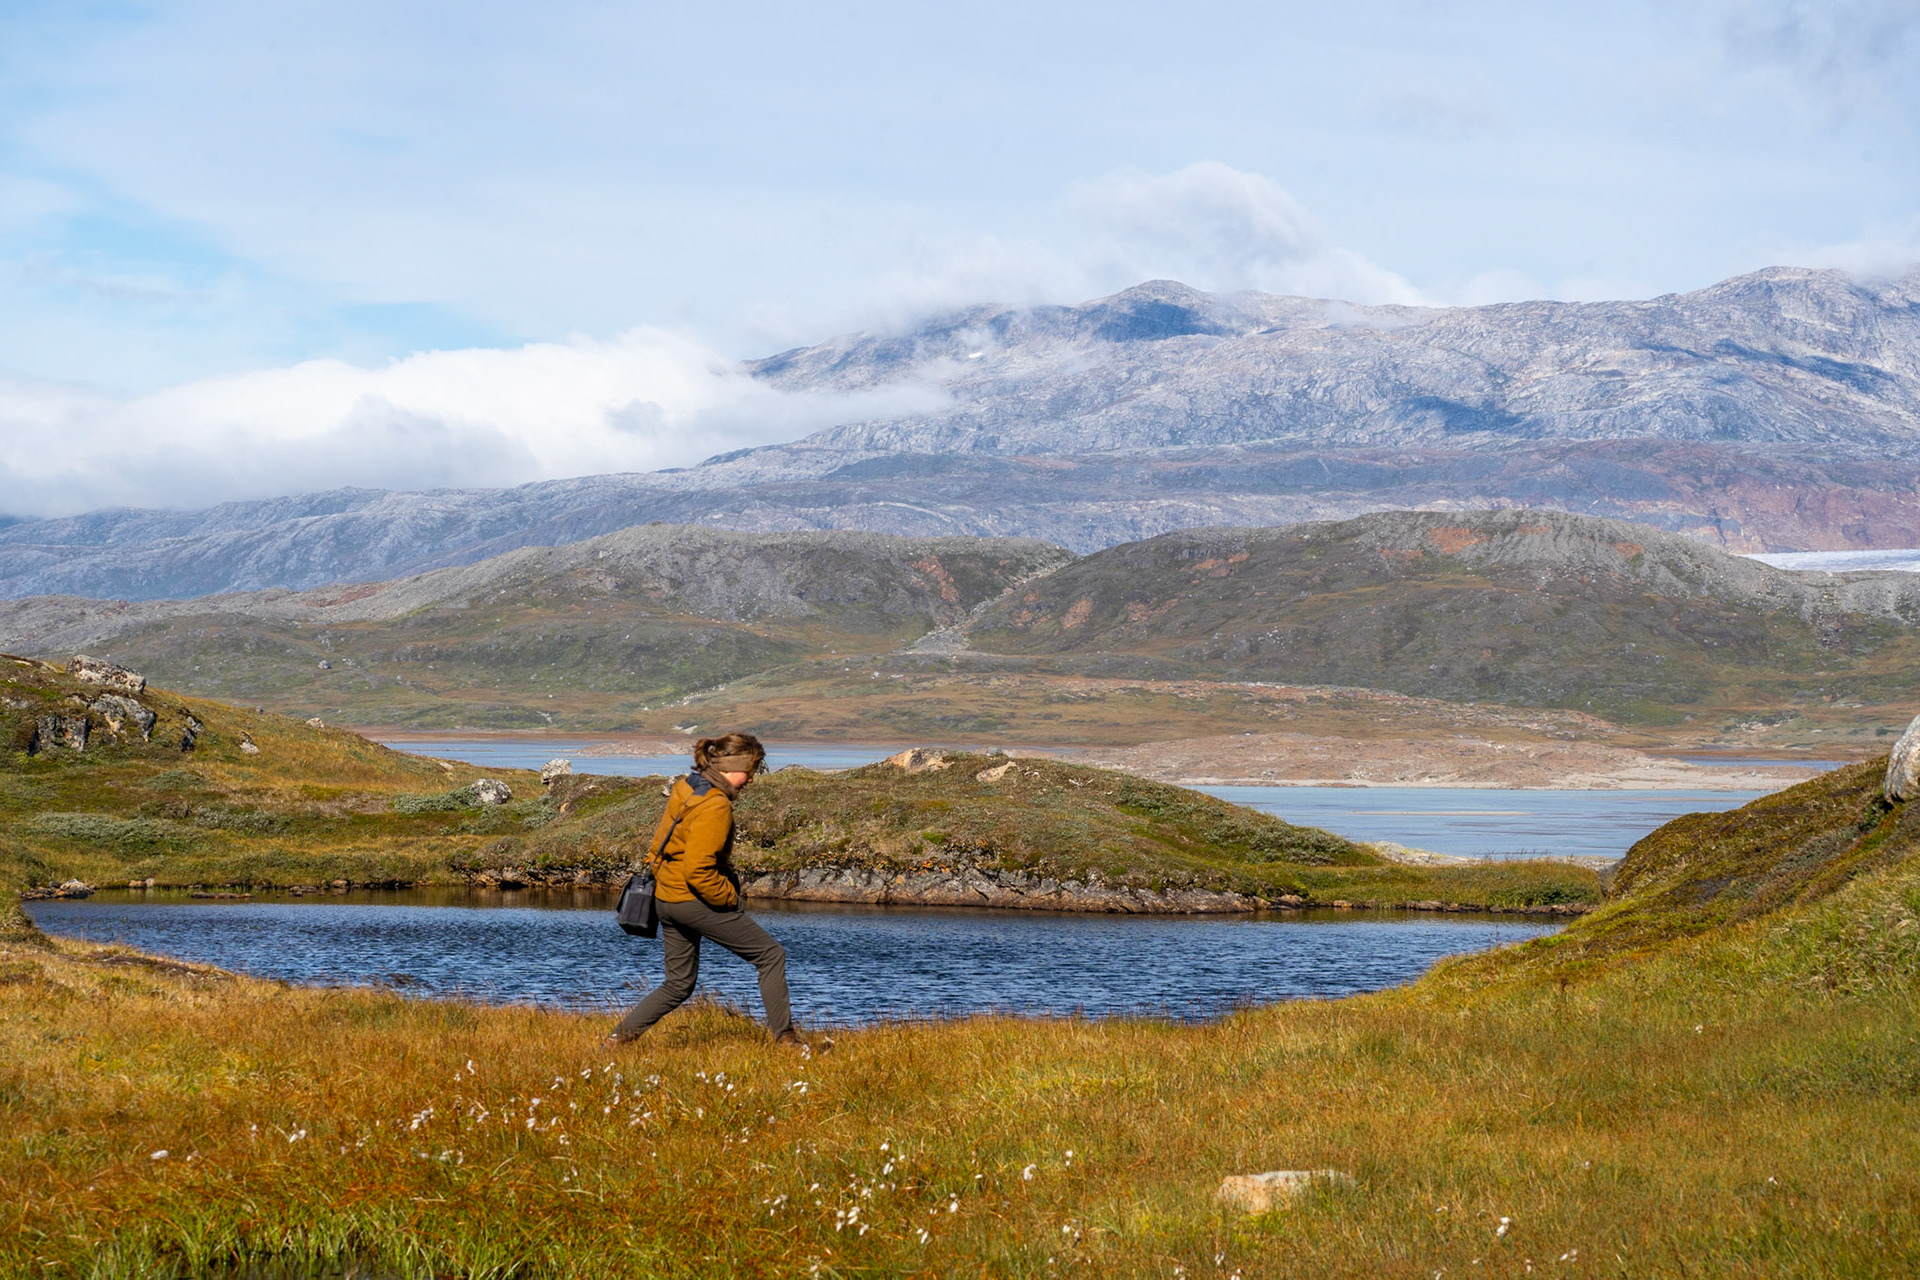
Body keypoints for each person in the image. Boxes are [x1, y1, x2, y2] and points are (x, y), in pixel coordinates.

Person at [608, 731, 803, 1047]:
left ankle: (616, 1040)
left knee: (678, 983)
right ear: (731, 767)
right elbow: (698, 871)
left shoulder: (687, 786)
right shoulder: (716, 806)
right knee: (770, 955)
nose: (751, 779)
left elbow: (658, 847)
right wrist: (730, 899)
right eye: (750, 771)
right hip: (691, 900)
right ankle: (787, 1041)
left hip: (666, 898)